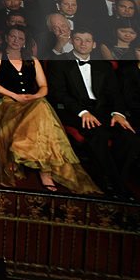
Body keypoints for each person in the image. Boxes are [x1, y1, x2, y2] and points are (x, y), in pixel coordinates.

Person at [0, 27, 99, 194]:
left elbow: (44, 87)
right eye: (13, 37)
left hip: (32, 102)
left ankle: (41, 168)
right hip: (8, 103)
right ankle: (42, 170)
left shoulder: (33, 60)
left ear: (25, 42)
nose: (16, 40)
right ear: (6, 38)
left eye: (21, 38)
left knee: (41, 106)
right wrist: (15, 96)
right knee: (42, 112)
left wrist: (34, 96)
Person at [47, 28, 140, 201]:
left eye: (88, 40)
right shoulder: (59, 62)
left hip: (102, 111)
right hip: (74, 111)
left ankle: (112, 180)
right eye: (79, 39)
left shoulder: (103, 65)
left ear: (94, 44)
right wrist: (82, 112)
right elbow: (58, 93)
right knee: (99, 135)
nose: (83, 44)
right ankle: (118, 187)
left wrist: (119, 113)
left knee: (131, 138)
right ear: (72, 41)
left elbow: (115, 94)